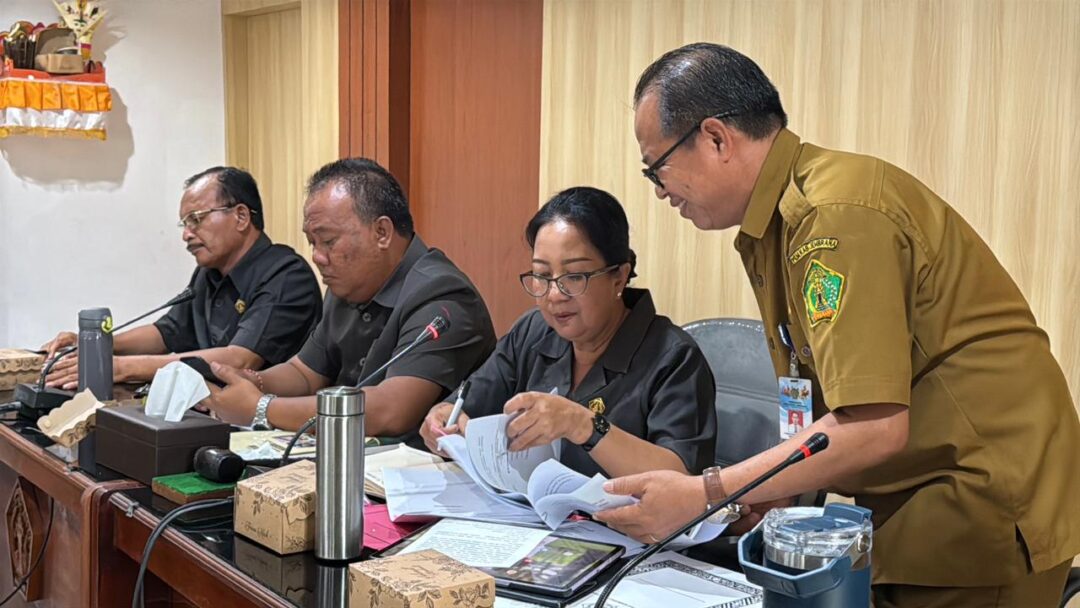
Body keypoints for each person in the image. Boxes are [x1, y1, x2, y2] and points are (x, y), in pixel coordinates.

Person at [595, 43, 1080, 606]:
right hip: (923, 499)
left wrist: (709, 493)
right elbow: (827, 399)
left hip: (983, 502)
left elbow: (875, 425)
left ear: (716, 138)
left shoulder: (833, 217)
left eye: (656, 168)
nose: (660, 191)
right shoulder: (779, 222)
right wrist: (776, 490)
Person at [421, 187, 716, 478]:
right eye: (542, 275)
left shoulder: (673, 357)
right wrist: (441, 417)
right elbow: (465, 405)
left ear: (619, 277)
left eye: (574, 276)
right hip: (522, 508)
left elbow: (682, 479)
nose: (554, 295)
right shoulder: (533, 331)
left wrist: (582, 424)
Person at [205, 158, 496, 441]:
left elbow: (391, 411)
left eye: (328, 241)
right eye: (312, 242)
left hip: (418, 468)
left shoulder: (442, 295)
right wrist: (251, 381)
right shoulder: (347, 286)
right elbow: (304, 373)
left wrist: (261, 408)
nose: (317, 257)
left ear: (382, 232)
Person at [41, 167, 322, 390]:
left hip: (269, 426)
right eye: (184, 224)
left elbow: (239, 359)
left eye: (196, 219)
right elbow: (167, 333)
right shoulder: (209, 273)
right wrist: (95, 344)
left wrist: (122, 367)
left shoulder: (286, 275)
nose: (186, 234)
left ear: (240, 217)